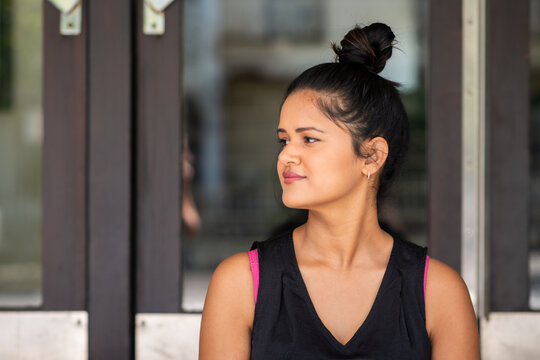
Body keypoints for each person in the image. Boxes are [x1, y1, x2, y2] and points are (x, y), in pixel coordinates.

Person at [199, 23, 480, 359]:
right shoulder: (242, 283)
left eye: (310, 139)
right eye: (284, 140)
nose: (286, 155)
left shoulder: (438, 291)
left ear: (372, 156)